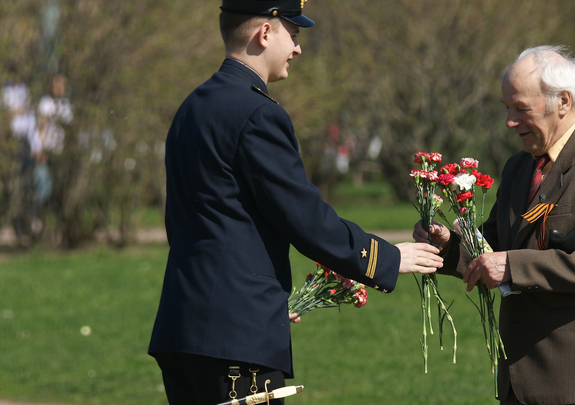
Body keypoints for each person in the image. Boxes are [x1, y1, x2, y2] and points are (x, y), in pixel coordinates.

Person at [148, 2, 444, 405]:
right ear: (265, 34)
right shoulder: (256, 113)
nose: (298, 48)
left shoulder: (192, 107)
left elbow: (196, 224)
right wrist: (386, 259)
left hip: (181, 327)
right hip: (236, 338)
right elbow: (305, 218)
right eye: (294, 34)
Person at [415, 46, 575, 405]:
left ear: (562, 102)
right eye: (507, 108)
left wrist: (513, 267)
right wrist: (446, 244)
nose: (510, 122)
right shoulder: (519, 166)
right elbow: (496, 243)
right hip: (519, 378)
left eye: (521, 109)